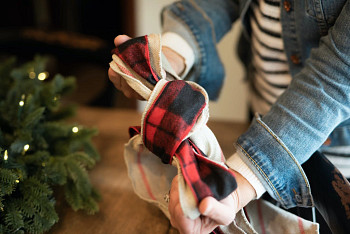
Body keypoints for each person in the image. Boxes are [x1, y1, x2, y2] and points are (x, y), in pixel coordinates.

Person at [108, 0, 350, 233]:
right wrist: (172, 54)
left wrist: (243, 177)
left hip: (337, 169)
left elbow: (339, 74)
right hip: (261, 141)